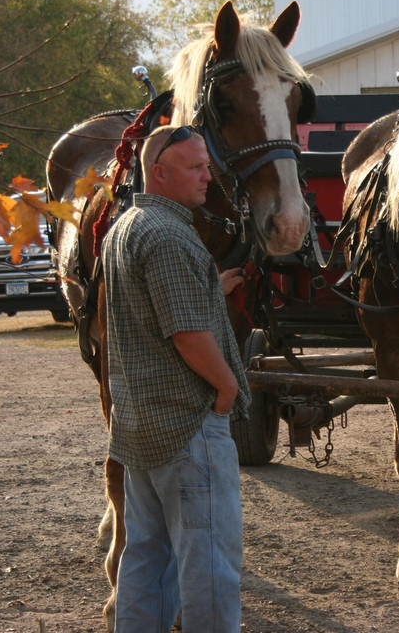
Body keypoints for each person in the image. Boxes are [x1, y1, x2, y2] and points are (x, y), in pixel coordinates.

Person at [101, 123, 251, 633]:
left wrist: (211, 282)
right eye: (196, 167)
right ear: (159, 173)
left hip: (140, 424)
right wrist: (227, 388)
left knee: (146, 554)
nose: (209, 176)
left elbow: (155, 303)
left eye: (208, 165)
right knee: (210, 561)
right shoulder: (168, 236)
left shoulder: (127, 226)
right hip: (187, 425)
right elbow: (187, 333)